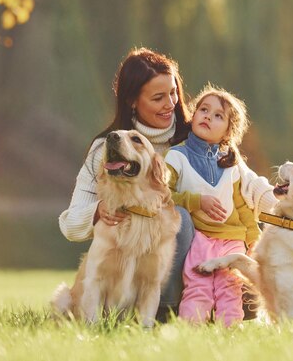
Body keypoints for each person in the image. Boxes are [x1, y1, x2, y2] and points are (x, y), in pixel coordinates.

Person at [58, 47, 277, 320]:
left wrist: (284, 206)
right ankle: (165, 308)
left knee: (244, 301)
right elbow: (69, 224)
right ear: (132, 101)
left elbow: (248, 183)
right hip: (140, 272)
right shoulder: (107, 149)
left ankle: (200, 300)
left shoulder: (198, 135)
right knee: (179, 215)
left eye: (173, 92)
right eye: (158, 97)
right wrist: (97, 211)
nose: (170, 103)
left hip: (209, 252)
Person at [164, 85, 260, 327]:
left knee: (230, 288)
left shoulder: (230, 162)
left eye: (218, 116)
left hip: (232, 240)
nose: (207, 116)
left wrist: (252, 237)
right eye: (203, 110)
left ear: (229, 131)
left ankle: (229, 333)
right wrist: (196, 202)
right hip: (201, 238)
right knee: (198, 284)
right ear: (193, 115)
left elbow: (241, 205)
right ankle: (191, 331)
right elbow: (163, 195)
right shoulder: (176, 156)